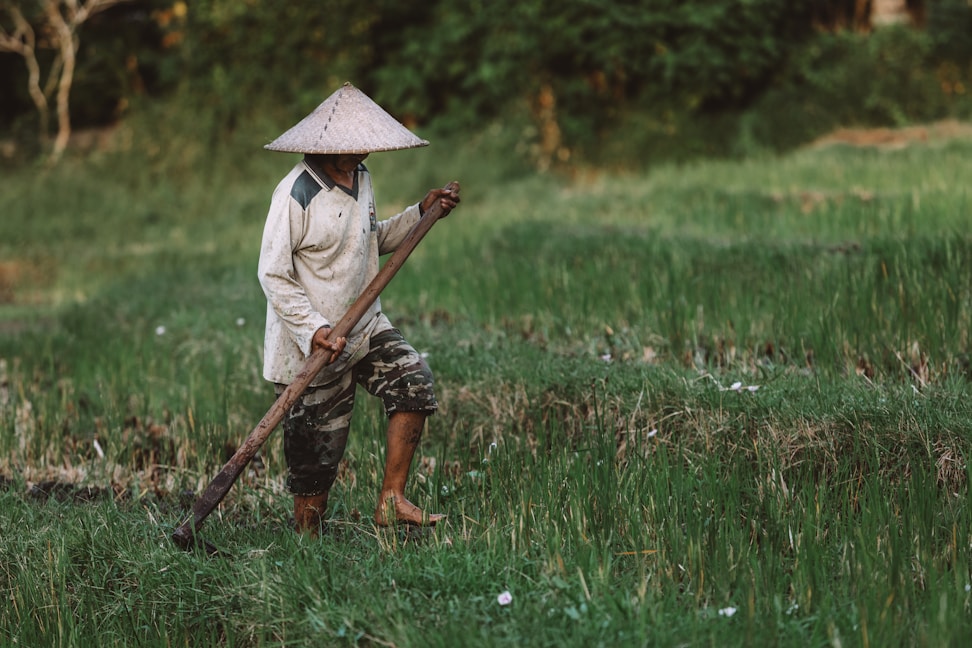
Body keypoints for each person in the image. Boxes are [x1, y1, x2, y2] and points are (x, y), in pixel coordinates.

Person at [258, 83, 460, 537]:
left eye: (365, 144)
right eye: (350, 146)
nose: (360, 152)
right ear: (324, 145)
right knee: (314, 474)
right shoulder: (295, 192)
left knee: (413, 383)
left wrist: (421, 213)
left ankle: (392, 500)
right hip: (308, 349)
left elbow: (370, 240)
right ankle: (307, 549)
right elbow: (272, 274)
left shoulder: (362, 177)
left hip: (363, 327)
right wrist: (314, 329)